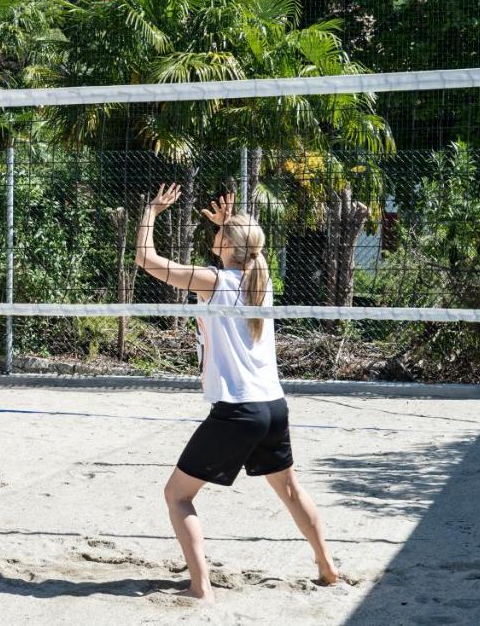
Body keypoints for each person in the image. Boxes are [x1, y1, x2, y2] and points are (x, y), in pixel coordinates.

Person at [134, 184, 338, 602]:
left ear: (228, 245)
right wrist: (229, 226)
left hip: (238, 411)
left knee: (177, 496)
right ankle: (327, 567)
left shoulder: (212, 281)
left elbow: (146, 260)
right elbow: (242, 258)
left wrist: (151, 212)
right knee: (291, 490)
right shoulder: (259, 280)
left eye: (223, 236)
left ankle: (200, 588)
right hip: (273, 407)